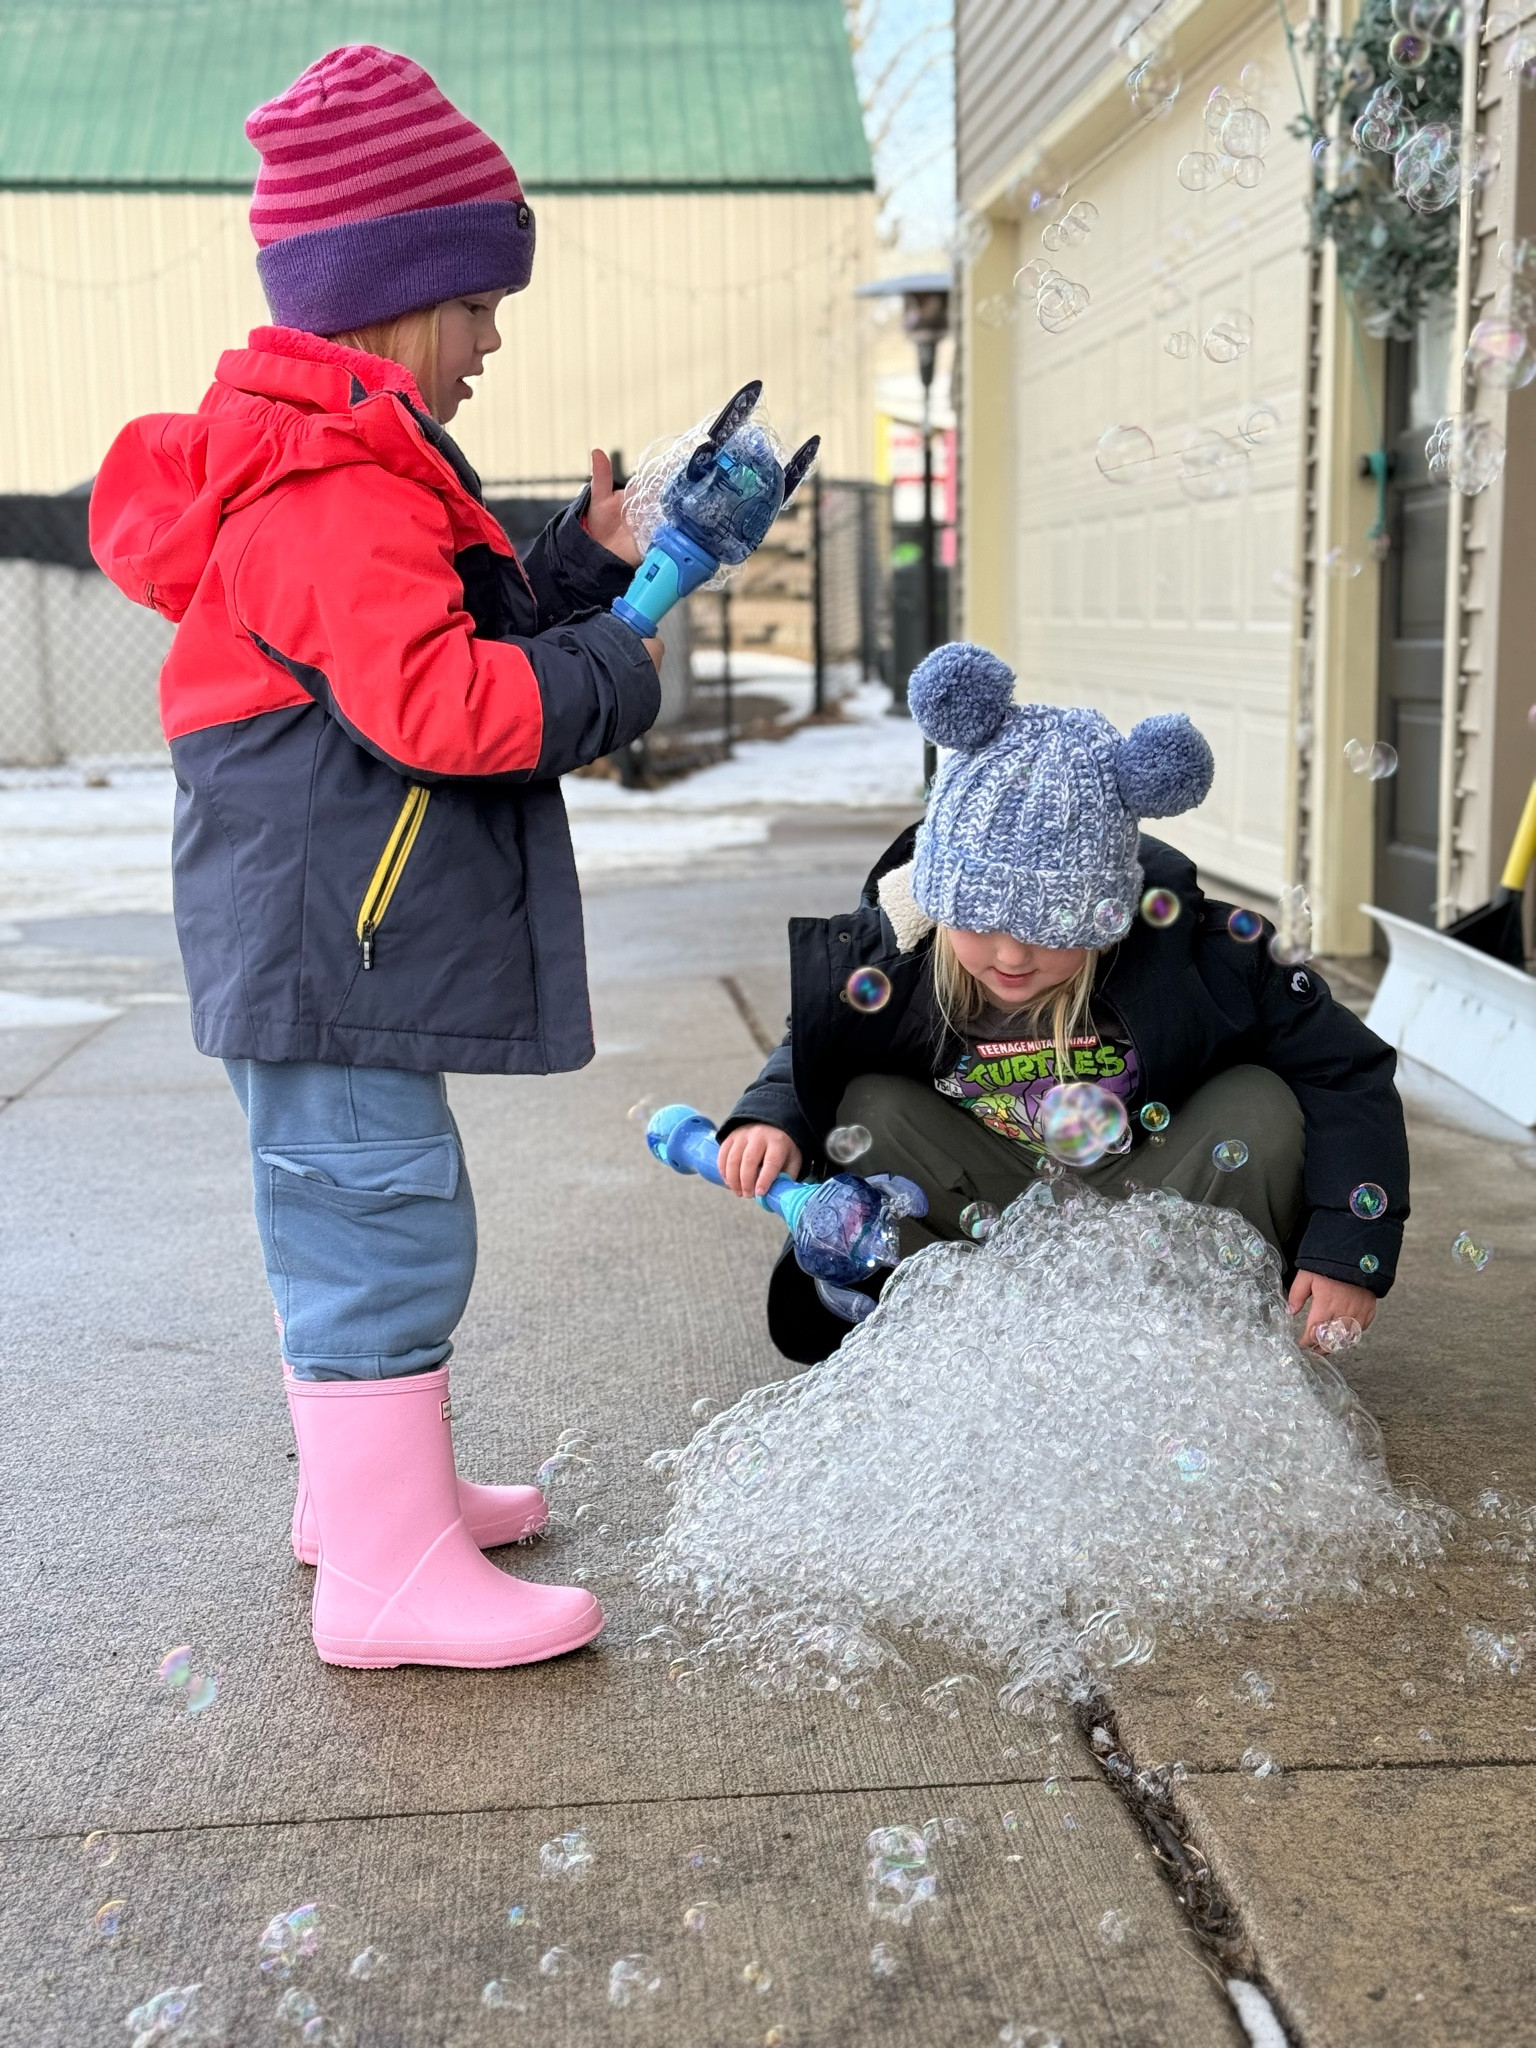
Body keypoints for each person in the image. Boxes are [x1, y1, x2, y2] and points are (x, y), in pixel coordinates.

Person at [90, 46, 663, 1671]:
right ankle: (388, 1576)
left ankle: (367, 1506)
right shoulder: (333, 483)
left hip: (321, 933)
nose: (493, 336)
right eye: (477, 299)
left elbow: (416, 627)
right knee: (380, 1218)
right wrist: (607, 670)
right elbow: (434, 700)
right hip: (326, 946)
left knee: (351, 1210)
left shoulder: (332, 460)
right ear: (392, 298)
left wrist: (563, 571)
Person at [716, 642, 1408, 1366]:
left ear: (1106, 914)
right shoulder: (900, 951)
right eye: (981, 922)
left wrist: (1346, 1252)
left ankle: (1198, 1335)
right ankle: (933, 1330)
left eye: (1052, 930)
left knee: (1262, 1105)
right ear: (938, 899)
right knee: (869, 1107)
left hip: (1148, 1203)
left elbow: (1345, 1072)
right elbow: (816, 1038)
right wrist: (774, 1115)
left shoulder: (1202, 955)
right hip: (990, 1207)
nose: (1012, 957)